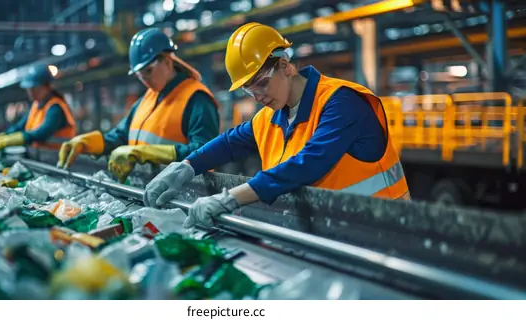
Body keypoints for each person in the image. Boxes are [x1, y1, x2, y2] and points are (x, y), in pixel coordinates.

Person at [143, 22, 411, 229]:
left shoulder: (342, 101)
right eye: (249, 90)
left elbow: (309, 162)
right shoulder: (271, 117)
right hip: (332, 234)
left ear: (285, 66)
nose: (258, 96)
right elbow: (229, 143)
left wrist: (229, 199)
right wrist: (185, 167)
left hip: (385, 232)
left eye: (261, 83)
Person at [55, 28, 220, 183]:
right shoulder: (146, 99)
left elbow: (205, 152)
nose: (145, 79)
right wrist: (88, 144)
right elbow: (120, 136)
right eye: (140, 75)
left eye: (148, 71)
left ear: (167, 61)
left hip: (184, 195)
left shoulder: (197, 99)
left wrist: (145, 153)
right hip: (148, 189)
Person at [0, 64, 77, 157]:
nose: (31, 92)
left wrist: (4, 142)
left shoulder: (55, 108)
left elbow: (40, 134)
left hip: (59, 159)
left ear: (46, 87)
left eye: (35, 88)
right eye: (29, 88)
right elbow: (19, 127)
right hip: (41, 158)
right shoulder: (36, 106)